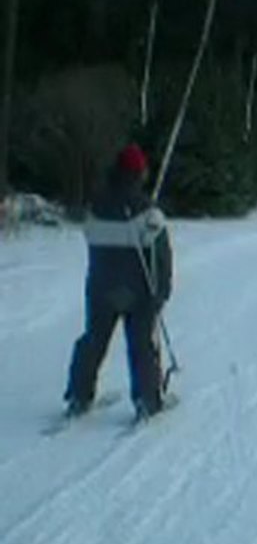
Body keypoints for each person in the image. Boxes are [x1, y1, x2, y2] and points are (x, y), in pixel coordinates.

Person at [63, 143, 173, 420]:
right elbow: (161, 257)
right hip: (139, 291)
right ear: (139, 174)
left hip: (101, 289)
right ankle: (148, 400)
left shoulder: (96, 207)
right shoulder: (148, 212)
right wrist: (162, 292)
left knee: (93, 341)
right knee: (141, 345)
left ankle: (78, 394)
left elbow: (91, 238)